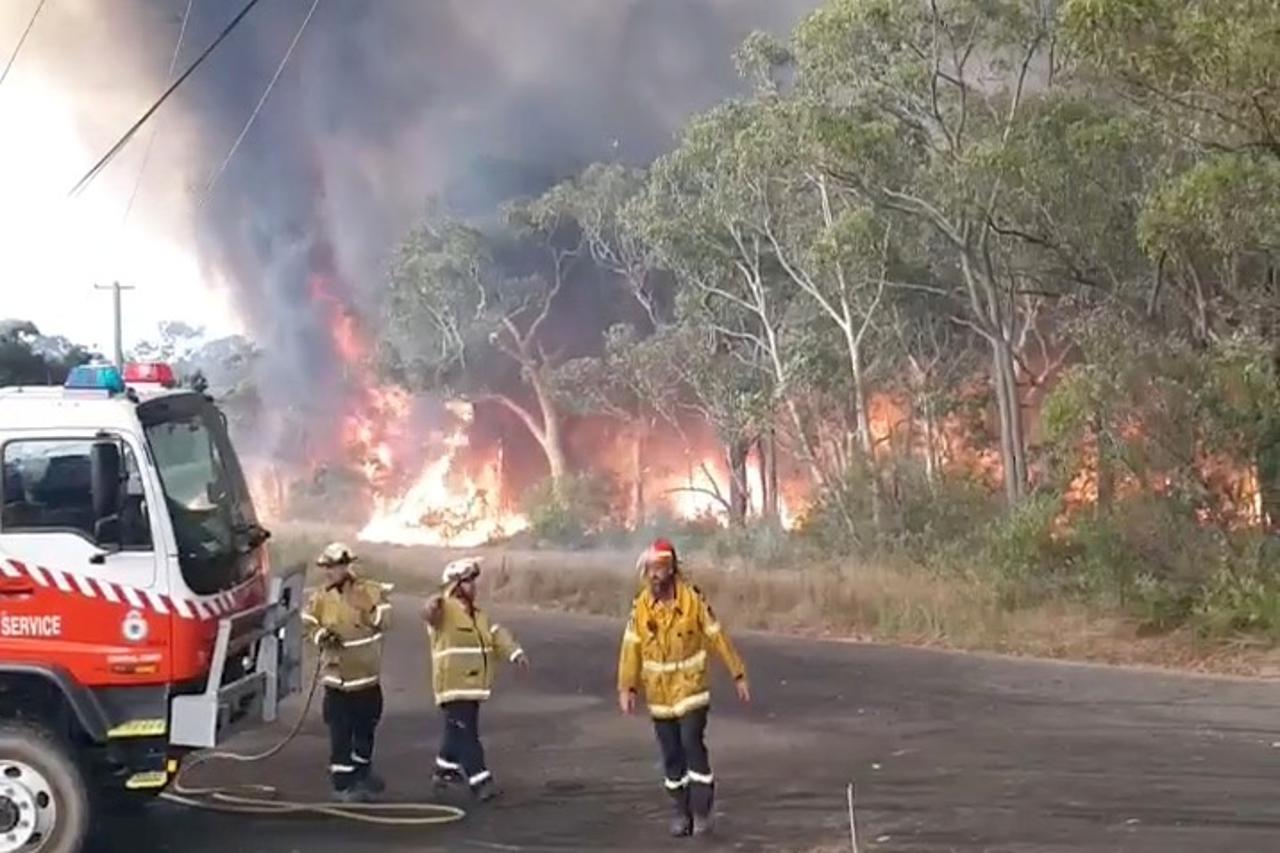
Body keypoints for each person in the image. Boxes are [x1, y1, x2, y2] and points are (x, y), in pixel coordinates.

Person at [617, 538, 750, 838]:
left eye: (659, 568)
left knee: (692, 742)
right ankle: (681, 810)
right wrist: (627, 687)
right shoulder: (641, 608)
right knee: (672, 754)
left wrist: (738, 673)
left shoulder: (693, 601)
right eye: (650, 569)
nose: (654, 575)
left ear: (672, 568)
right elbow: (630, 648)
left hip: (692, 690)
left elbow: (717, 636)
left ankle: (702, 810)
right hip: (659, 696)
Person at [422, 556, 529, 802]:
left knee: (456, 730)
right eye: (468, 581)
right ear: (455, 585)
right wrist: (433, 604)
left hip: (473, 685)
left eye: (473, 581)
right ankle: (480, 781)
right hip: (453, 686)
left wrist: (515, 653)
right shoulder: (443, 610)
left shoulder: (478, 615)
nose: (473, 586)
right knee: (467, 734)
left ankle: (444, 770)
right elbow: (429, 615)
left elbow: (496, 634)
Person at [301, 542, 393, 802]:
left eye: (334, 567)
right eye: (326, 567)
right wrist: (322, 635)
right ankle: (342, 785)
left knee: (365, 730)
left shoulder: (370, 591)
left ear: (346, 567)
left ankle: (362, 774)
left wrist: (367, 607)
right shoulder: (320, 598)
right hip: (337, 682)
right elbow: (308, 624)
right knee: (340, 735)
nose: (329, 572)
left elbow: (385, 621)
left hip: (366, 679)